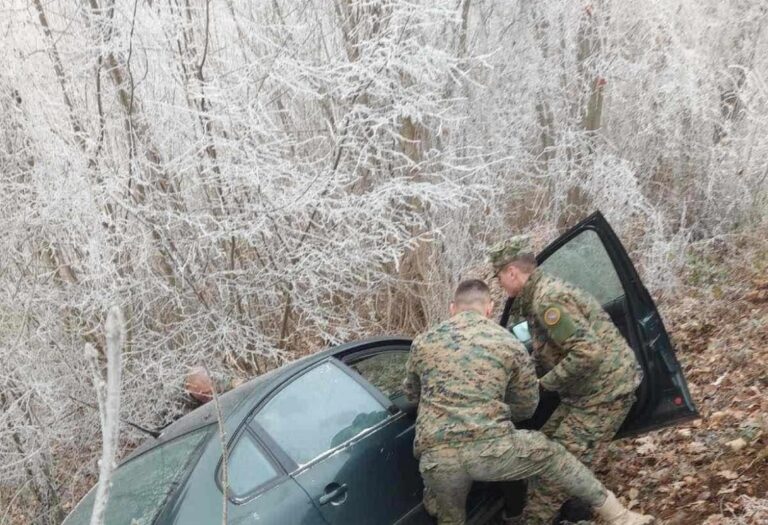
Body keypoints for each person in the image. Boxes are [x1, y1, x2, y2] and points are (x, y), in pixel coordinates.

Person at [403, 279, 653, 525]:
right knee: (555, 456)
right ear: (489, 309)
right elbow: (526, 407)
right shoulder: (508, 342)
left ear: (452, 308)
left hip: (436, 458)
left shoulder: (422, 343)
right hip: (491, 452)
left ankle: (475, 507)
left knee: (450, 519)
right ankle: (620, 517)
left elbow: (413, 395)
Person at [488, 236, 643, 523]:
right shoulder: (538, 296)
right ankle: (571, 510)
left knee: (554, 474)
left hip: (604, 392)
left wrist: (543, 385)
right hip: (585, 393)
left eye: (499, 279)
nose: (500, 286)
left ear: (512, 272)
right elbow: (549, 350)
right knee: (541, 449)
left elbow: (587, 352)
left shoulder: (548, 299)